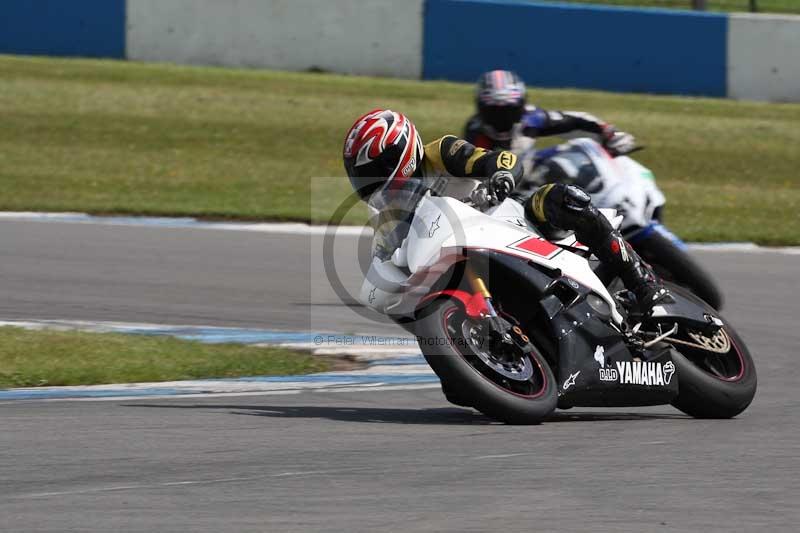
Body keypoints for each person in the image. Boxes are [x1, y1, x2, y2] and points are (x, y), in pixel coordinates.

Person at [343, 109, 669, 314]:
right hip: (468, 264)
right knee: (456, 388)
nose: (370, 183)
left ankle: (643, 282)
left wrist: (500, 177)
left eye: (375, 170)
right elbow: (388, 260)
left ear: (401, 153)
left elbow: (500, 160)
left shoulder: (440, 153)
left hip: (514, 223)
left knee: (562, 198)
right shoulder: (387, 217)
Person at [464, 70, 637, 162]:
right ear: (481, 109)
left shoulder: (532, 119)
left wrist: (609, 132)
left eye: (509, 110)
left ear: (521, 106)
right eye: (494, 111)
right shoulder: (476, 132)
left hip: (529, 180)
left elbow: (575, 120)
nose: (502, 117)